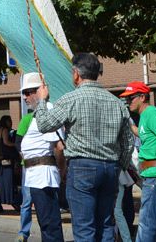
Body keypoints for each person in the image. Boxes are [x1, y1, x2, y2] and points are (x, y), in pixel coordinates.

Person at [33, 52, 132, 242]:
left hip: (82, 166)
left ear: (76, 73)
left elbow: (44, 125)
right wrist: (120, 166)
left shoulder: (71, 99)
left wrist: (42, 100)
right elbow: (127, 142)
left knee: (84, 228)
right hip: (110, 166)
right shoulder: (116, 102)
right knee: (106, 226)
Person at [120, 82, 156, 242]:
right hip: (154, 175)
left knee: (147, 223)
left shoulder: (153, 114)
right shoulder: (145, 116)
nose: (127, 102)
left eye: (130, 98)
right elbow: (142, 133)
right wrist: (129, 123)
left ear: (142, 97)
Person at [18, 72, 65, 242]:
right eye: (24, 93)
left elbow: (59, 147)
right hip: (37, 175)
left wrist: (61, 171)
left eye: (29, 92)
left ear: (41, 90)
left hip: (44, 175)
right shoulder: (38, 114)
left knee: (49, 224)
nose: (25, 97)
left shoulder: (48, 110)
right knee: (46, 222)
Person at [0, 115, 20, 211]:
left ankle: (2, 200)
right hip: (6, 158)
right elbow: (6, 142)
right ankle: (10, 199)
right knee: (8, 180)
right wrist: (16, 145)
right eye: (9, 121)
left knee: (1, 181)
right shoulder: (4, 130)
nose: (11, 123)